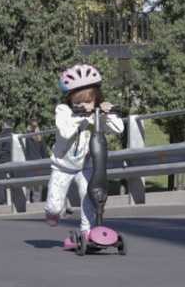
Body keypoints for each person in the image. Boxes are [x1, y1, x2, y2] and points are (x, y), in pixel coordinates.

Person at [45, 64, 124, 240]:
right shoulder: (63, 111)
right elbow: (65, 133)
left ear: (96, 99)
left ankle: (87, 233)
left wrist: (107, 113)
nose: (83, 105)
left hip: (85, 166)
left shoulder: (97, 115)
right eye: (78, 102)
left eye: (88, 101)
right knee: (54, 208)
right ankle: (52, 212)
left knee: (88, 198)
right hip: (62, 167)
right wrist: (80, 116)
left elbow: (119, 129)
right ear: (70, 99)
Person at [24, 118, 48, 202]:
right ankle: (34, 201)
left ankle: (30, 201)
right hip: (36, 162)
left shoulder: (28, 136)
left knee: (31, 184)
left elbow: (43, 151)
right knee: (35, 184)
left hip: (31, 162)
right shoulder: (38, 136)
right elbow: (44, 152)